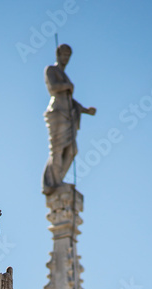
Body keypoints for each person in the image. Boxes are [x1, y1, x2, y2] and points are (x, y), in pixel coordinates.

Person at [42, 44, 96, 194]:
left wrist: (86, 110)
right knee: (57, 150)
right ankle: (52, 182)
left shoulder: (65, 76)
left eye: (68, 55)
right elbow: (53, 88)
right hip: (57, 112)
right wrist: (67, 85)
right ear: (57, 54)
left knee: (72, 149)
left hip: (68, 114)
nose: (66, 58)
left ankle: (57, 179)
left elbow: (71, 101)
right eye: (64, 54)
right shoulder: (51, 70)